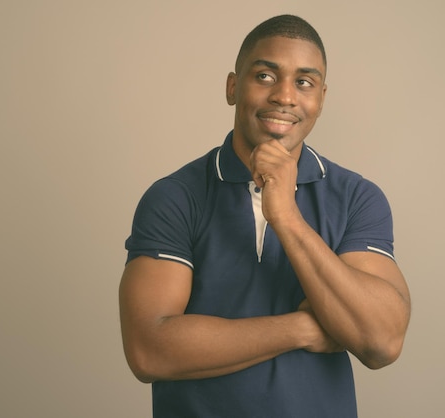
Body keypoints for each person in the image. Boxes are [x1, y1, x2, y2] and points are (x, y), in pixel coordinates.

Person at [119, 14, 411, 417]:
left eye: (304, 82)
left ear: (321, 99)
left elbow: (381, 341)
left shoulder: (357, 197)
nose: (285, 97)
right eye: (266, 76)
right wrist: (304, 329)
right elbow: (149, 350)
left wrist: (287, 216)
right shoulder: (174, 197)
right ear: (233, 87)